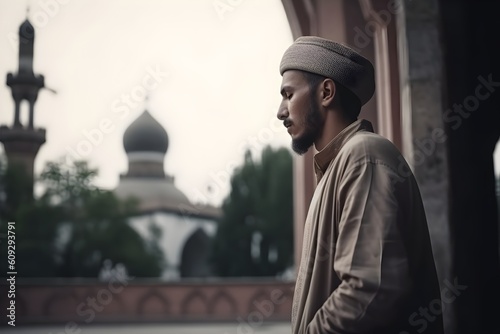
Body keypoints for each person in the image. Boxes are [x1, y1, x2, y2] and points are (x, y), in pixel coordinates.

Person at [277, 36, 443, 334]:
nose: (281, 111)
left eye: (288, 95)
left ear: (326, 92)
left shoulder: (364, 156)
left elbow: (371, 289)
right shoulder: (337, 167)